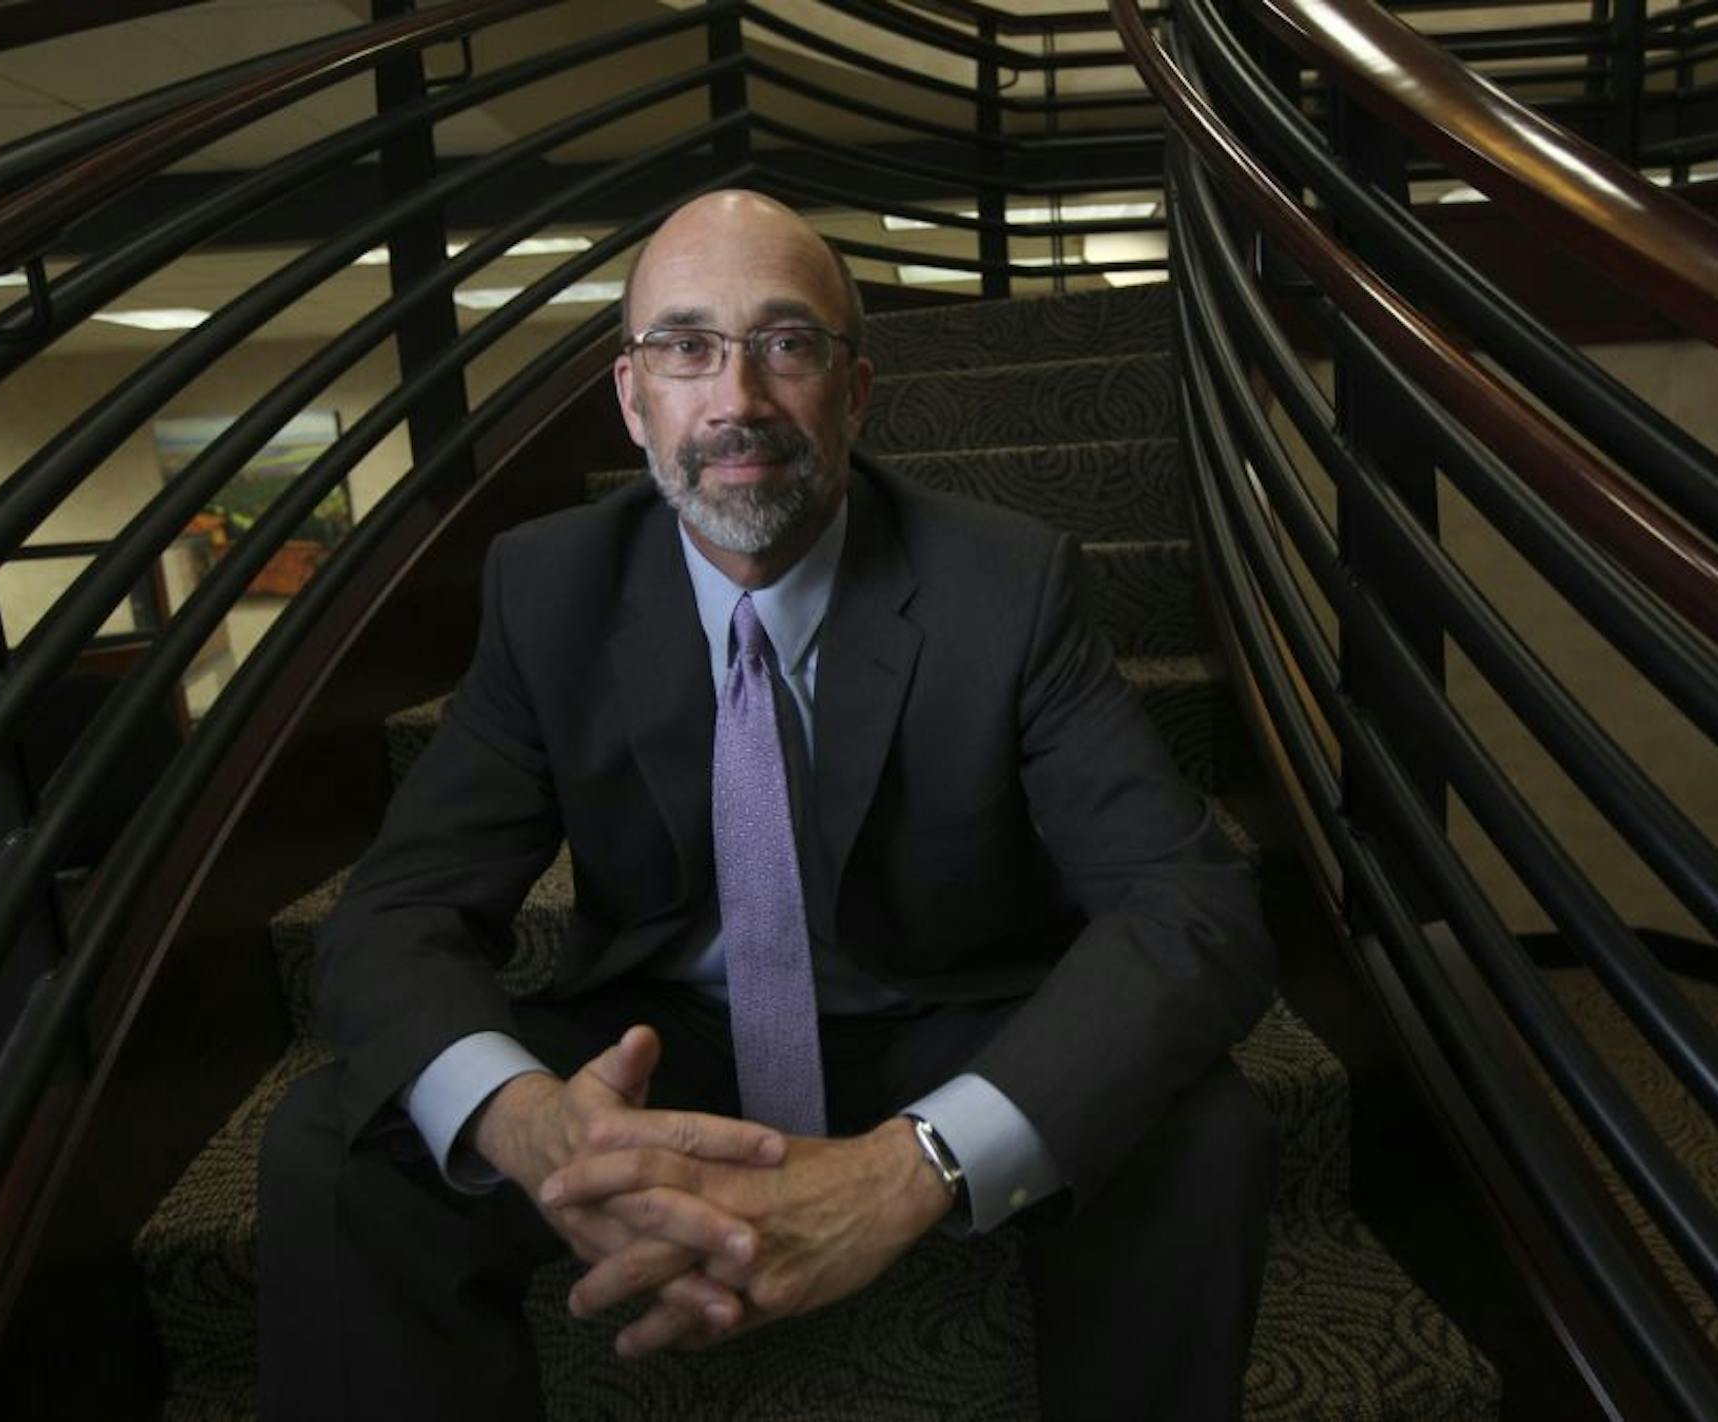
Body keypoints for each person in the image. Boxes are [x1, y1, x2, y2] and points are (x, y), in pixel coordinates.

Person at [258, 189, 1278, 1421]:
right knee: (336, 1143)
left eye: (786, 344)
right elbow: (397, 910)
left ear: (852, 393)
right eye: (685, 348)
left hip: (931, 1018)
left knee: (1200, 1127)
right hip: (664, 1042)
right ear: (632, 399)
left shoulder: (1003, 584)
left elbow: (1191, 904)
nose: (735, 400)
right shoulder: (551, 588)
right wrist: (532, 1126)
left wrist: (912, 1170)